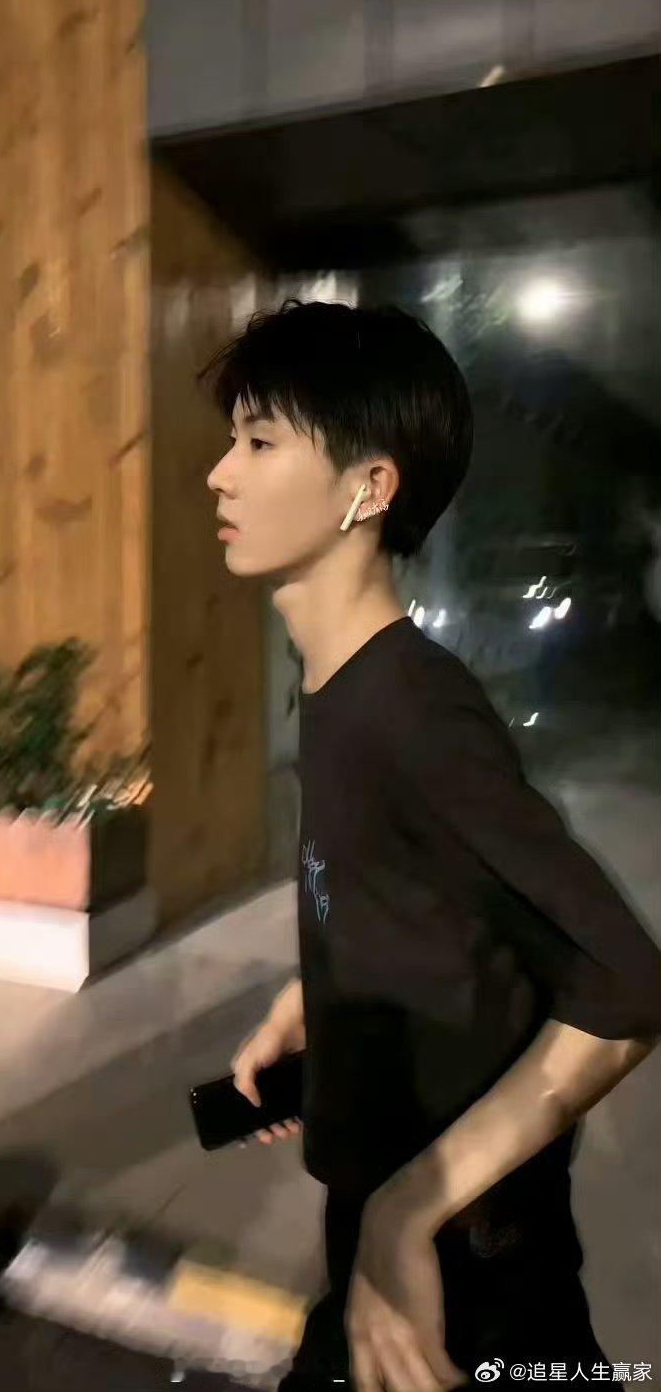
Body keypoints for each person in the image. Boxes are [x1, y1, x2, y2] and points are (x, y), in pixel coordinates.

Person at [203, 300, 661, 1392]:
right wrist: (318, 998)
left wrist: (407, 1213)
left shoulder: (411, 711)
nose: (219, 474)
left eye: (260, 442)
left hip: (472, 1277)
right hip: (382, 1224)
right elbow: (411, 896)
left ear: (369, 488)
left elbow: (627, 983)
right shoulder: (336, 687)